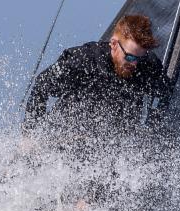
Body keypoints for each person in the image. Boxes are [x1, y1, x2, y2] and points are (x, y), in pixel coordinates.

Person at [23, 14, 172, 160]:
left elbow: (165, 97)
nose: (135, 64)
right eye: (130, 57)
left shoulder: (149, 67)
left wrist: (151, 137)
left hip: (110, 153)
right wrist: (30, 135)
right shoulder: (85, 59)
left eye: (141, 58)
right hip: (63, 145)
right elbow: (42, 84)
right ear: (114, 44)